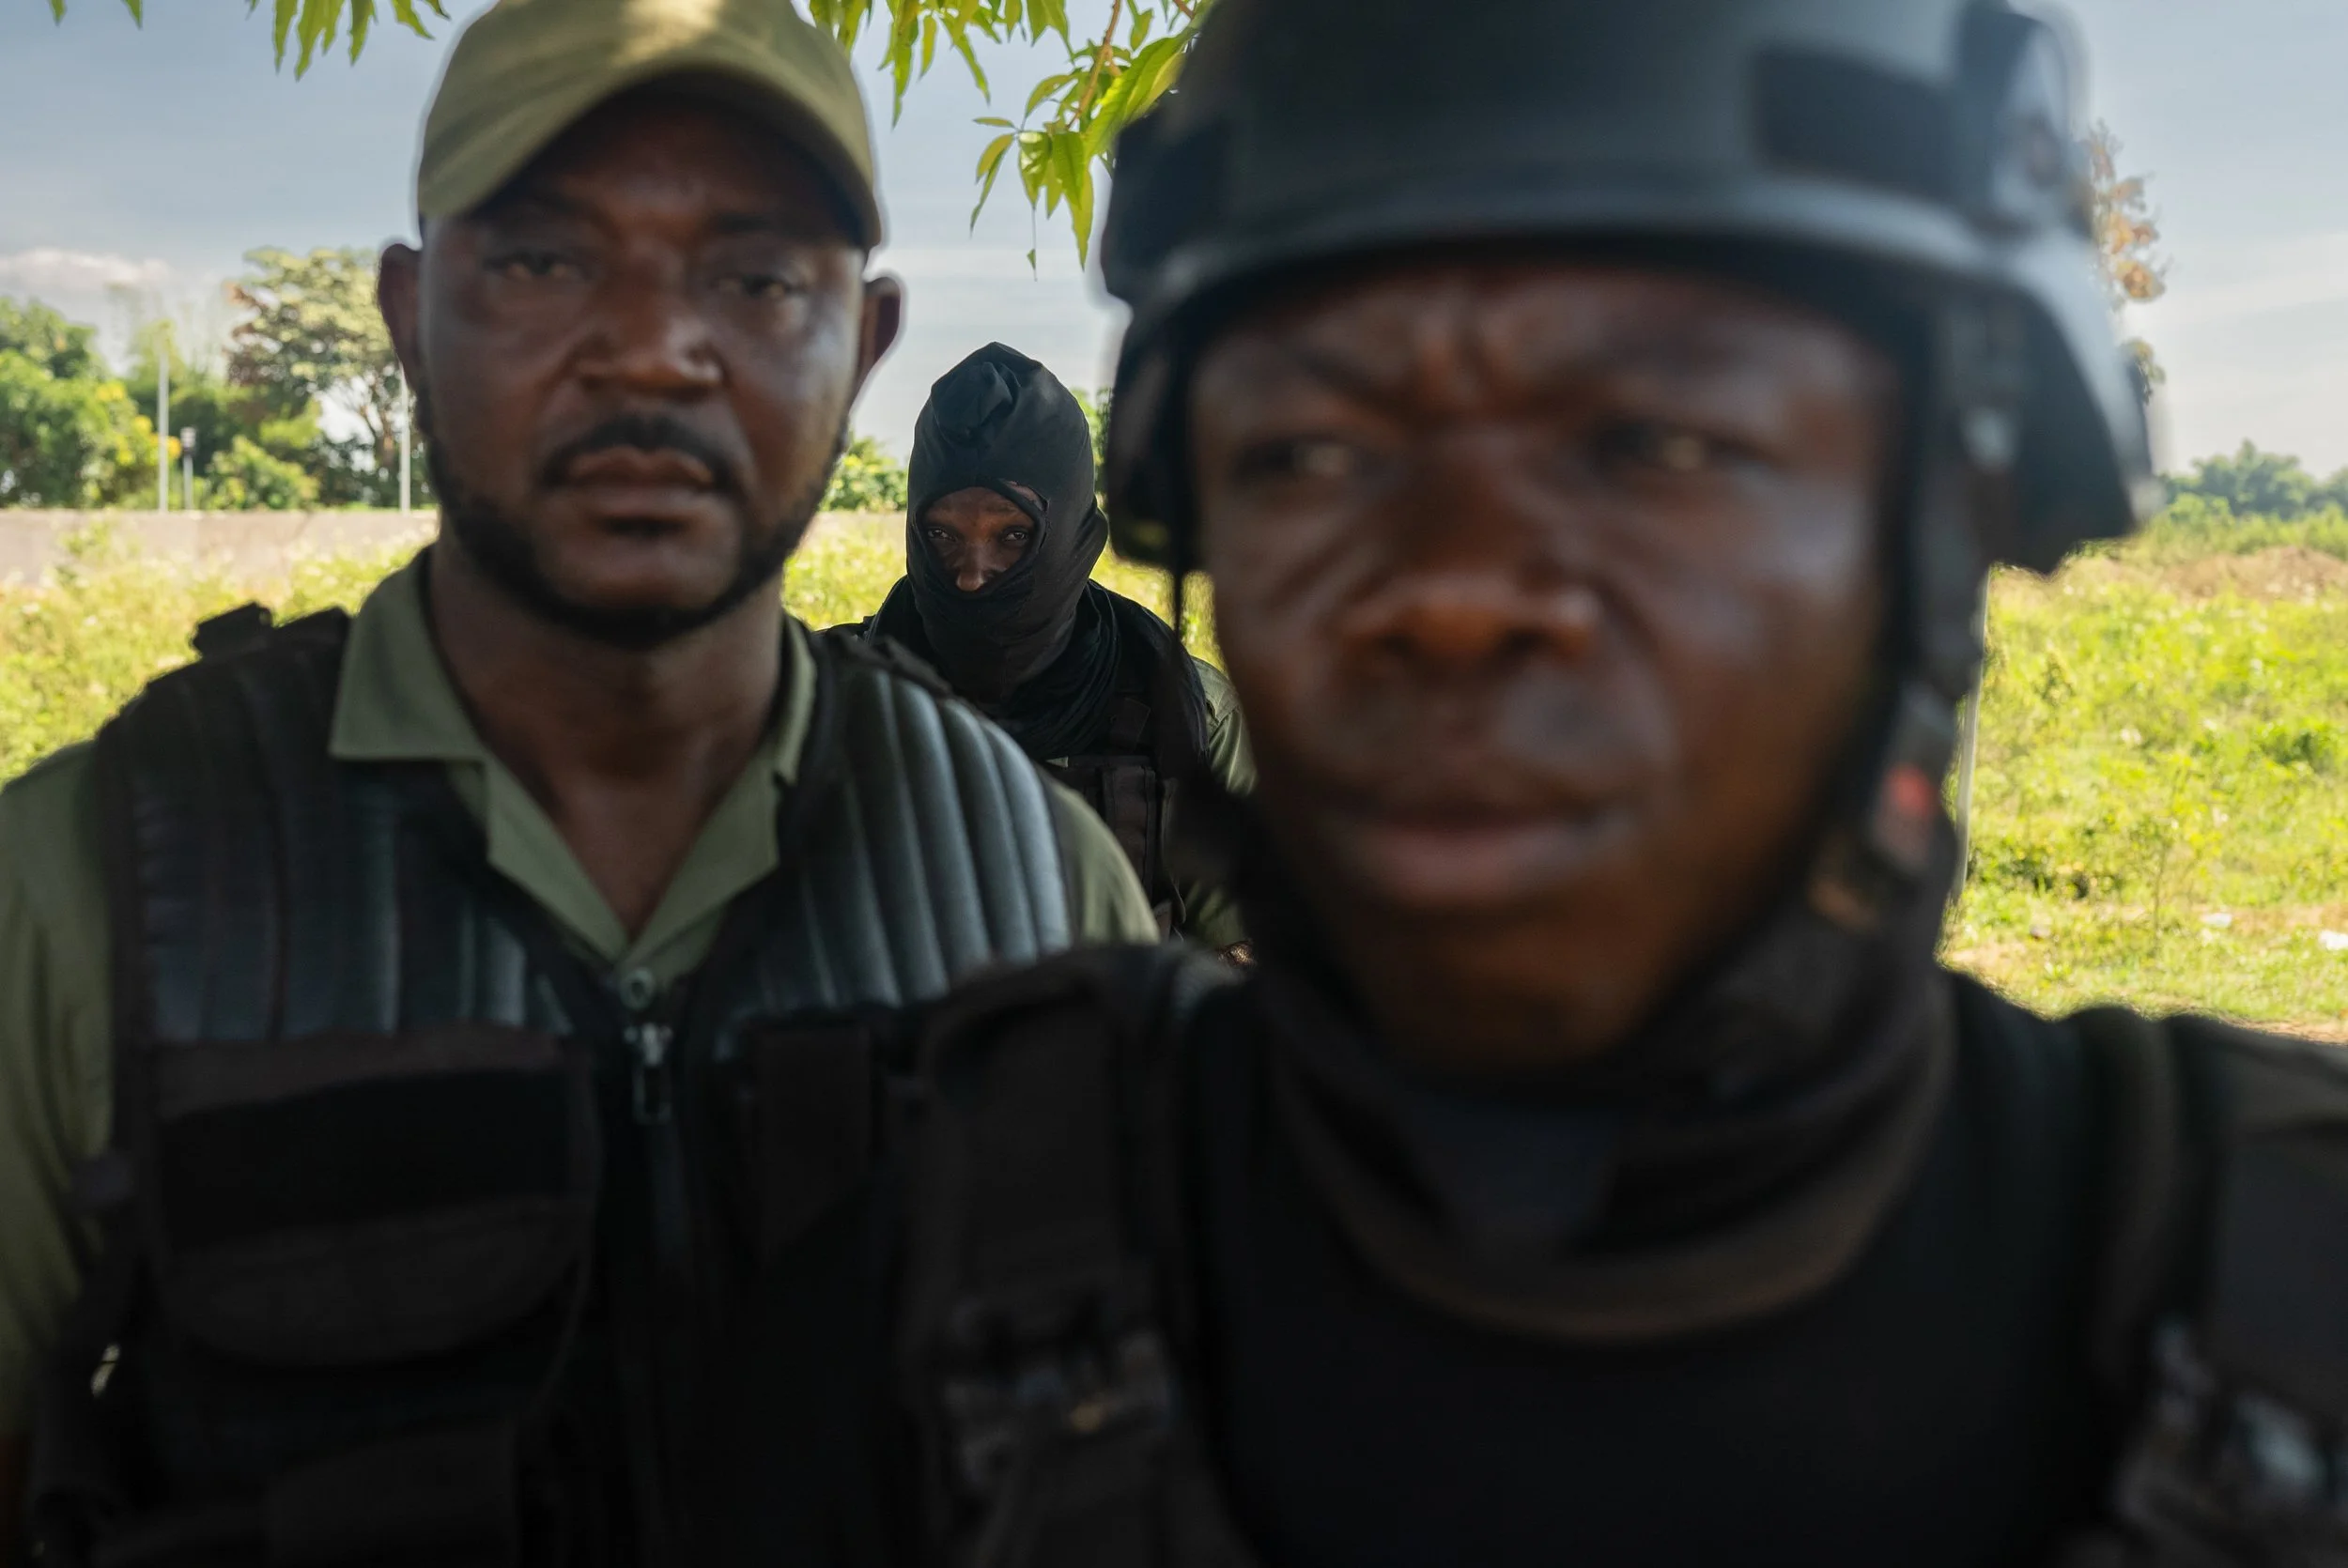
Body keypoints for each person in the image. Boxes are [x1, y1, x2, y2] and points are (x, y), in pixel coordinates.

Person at [710, 1, 2348, 1565]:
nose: (1455, 589)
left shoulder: (2294, 1305)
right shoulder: (921, 1300)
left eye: (1665, 443)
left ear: (1941, 526)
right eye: (1316, 456)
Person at [0, 0, 1161, 1560]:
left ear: (861, 346)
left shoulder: (1040, 884)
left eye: (755, 278)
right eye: (546, 260)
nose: (650, 350)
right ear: (412, 315)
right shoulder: (95, 889)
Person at [862, 343, 1253, 949]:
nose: (971, 573)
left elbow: (1246, 972)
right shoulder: (829, 698)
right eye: (942, 534)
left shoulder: (1187, 712)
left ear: (1073, 533)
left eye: (1014, 535)